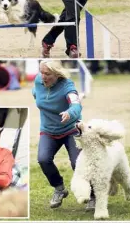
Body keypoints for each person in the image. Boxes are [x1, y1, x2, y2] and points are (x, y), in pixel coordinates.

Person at [32, 60, 95, 210]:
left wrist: (69, 113)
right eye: (41, 72)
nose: (43, 76)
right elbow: (35, 93)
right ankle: (59, 189)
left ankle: (93, 195)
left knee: (77, 163)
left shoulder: (68, 86)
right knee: (43, 159)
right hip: (48, 130)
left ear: (57, 74)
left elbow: (76, 105)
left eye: (47, 74)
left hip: (70, 129)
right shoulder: (38, 81)